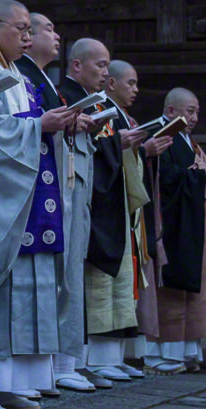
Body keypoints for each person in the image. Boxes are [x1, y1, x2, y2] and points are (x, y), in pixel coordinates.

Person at [0, 0, 82, 409]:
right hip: (1, 197)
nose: (27, 38)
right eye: (22, 29)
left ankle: (12, 383)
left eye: (31, 30)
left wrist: (46, 123)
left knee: (30, 288)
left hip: (28, 195)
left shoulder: (15, 73)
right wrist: (37, 126)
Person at [16, 15, 97, 395]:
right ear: (27, 38)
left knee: (60, 276)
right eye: (47, 28)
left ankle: (53, 365)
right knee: (46, 277)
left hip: (58, 182)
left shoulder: (42, 78)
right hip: (38, 189)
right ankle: (50, 366)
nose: (56, 35)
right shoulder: (22, 73)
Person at [63, 40, 150, 385]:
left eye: (106, 66)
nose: (103, 72)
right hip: (92, 202)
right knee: (95, 283)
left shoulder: (99, 105)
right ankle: (91, 360)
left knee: (118, 283)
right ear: (76, 66)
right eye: (100, 66)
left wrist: (122, 142)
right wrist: (119, 142)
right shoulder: (70, 97)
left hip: (110, 202)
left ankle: (108, 358)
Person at [139, 89, 206, 373]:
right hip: (174, 222)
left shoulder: (188, 140)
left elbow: (186, 172)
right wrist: (201, 175)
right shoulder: (162, 135)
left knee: (198, 286)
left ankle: (188, 351)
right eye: (189, 111)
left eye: (197, 112)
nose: (194, 118)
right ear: (170, 110)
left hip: (195, 219)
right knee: (173, 286)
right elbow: (164, 177)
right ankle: (162, 353)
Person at [104, 61, 158, 376]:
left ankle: (122, 356)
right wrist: (140, 147)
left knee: (128, 282)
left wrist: (143, 149)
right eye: (131, 83)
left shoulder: (122, 115)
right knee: (109, 285)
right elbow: (105, 152)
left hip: (128, 210)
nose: (136, 90)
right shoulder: (106, 111)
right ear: (111, 83)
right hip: (111, 207)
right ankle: (103, 359)